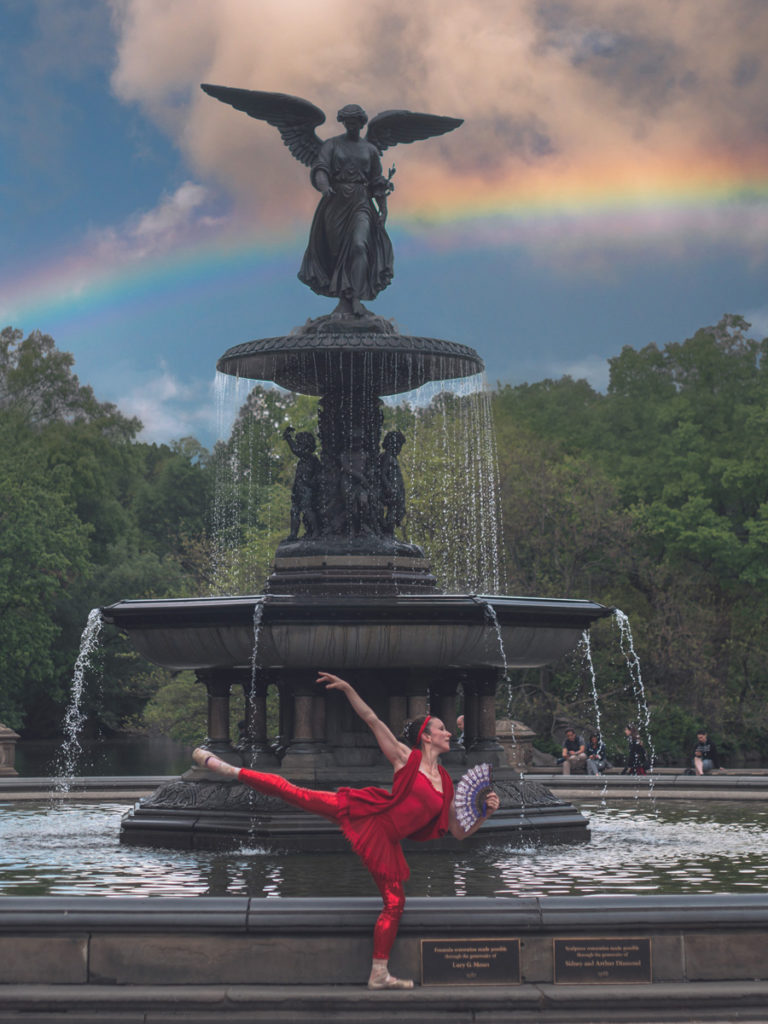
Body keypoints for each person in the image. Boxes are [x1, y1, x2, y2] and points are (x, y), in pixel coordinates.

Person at [193, 671, 499, 990]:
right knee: (297, 794)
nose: (449, 732)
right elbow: (372, 719)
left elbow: (459, 833)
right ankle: (232, 770)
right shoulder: (406, 758)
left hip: (386, 841)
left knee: (395, 904)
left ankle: (379, 973)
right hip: (368, 812)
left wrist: (485, 814)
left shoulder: (446, 783)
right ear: (426, 735)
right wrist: (350, 689)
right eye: (442, 728)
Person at [298, 104, 394, 315]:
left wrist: (383, 209)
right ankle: (345, 301)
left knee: (359, 246)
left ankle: (357, 297)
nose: (351, 126)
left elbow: (377, 181)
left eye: (354, 123)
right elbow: (320, 168)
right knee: (337, 253)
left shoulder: (370, 150)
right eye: (347, 122)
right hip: (336, 202)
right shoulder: (331, 145)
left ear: (361, 123)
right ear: (343, 123)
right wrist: (324, 187)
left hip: (361, 201)